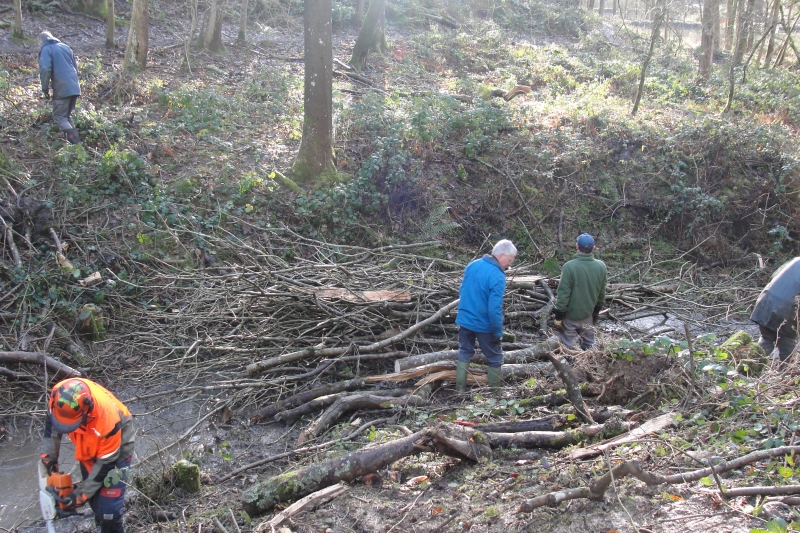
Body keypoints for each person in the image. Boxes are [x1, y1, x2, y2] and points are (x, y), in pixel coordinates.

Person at [41, 378, 135, 533]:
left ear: (87, 411)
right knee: (96, 502)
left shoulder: (107, 419)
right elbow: (52, 427)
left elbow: (105, 466)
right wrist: (49, 460)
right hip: (87, 444)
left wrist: (77, 498)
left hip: (116, 447)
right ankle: (101, 526)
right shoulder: (58, 394)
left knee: (109, 512)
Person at [455, 239, 517, 391]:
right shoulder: (497, 276)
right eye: (509, 260)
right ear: (501, 255)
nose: (510, 265)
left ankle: (459, 391)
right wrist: (497, 332)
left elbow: (462, 291)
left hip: (464, 321)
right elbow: (494, 308)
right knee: (495, 358)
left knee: (465, 352)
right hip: (484, 324)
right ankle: (494, 397)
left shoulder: (473, 265)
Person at [552, 233, 607, 350]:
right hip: (588, 315)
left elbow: (563, 294)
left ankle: (572, 366)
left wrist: (559, 315)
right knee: (590, 346)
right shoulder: (601, 266)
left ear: (576, 246)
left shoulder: (569, 267)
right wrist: (596, 311)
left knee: (569, 348)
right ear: (593, 248)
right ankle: (592, 366)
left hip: (570, 317)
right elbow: (602, 293)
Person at [750, 257, 800, 361]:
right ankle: (784, 374)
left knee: (767, 339)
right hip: (786, 308)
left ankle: (747, 367)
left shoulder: (796, 260)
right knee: (788, 344)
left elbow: (775, 276)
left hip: (766, 299)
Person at [38, 31, 81, 144]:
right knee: (66, 115)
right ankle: (76, 146)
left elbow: (45, 69)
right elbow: (76, 68)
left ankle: (75, 143)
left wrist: (45, 89)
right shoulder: (66, 47)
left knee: (60, 117)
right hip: (74, 85)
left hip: (62, 87)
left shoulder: (46, 49)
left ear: (41, 41)